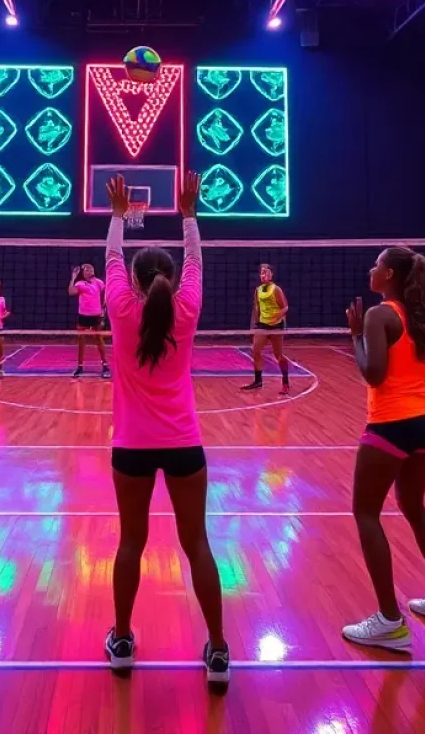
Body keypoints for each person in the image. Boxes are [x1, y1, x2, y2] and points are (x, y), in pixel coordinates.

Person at [102, 171, 230, 686]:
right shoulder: (189, 307)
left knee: (130, 543)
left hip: (130, 446)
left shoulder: (118, 306)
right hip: (184, 445)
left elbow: (112, 257)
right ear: (173, 279)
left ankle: (123, 640)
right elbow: (196, 260)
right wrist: (190, 213)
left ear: (132, 280)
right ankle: (218, 651)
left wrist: (116, 215)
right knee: (197, 542)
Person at [343, 247, 425, 652]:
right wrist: (411, 372)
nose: (371, 268)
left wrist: (357, 336)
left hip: (391, 424)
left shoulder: (380, 315)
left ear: (389, 273)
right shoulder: (419, 317)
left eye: (376, 264)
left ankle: (389, 621)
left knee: (366, 513)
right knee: (415, 509)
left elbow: (373, 373)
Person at [240, 264, 290, 395]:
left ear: (271, 274)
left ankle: (285, 382)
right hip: (262, 325)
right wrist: (255, 324)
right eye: (261, 273)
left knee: (278, 355)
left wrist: (277, 317)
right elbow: (256, 308)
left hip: (276, 326)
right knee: (255, 350)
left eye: (266, 272)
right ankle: (258, 381)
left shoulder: (276, 289)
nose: (263, 275)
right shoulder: (258, 290)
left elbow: (285, 307)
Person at [68, 263, 110, 379]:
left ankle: (105, 365)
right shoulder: (80, 284)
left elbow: (106, 293)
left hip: (96, 315)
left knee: (99, 339)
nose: (89, 270)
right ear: (83, 273)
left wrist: (104, 306)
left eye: (91, 268)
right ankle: (80, 366)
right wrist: (73, 277)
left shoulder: (99, 283)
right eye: (86, 269)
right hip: (83, 316)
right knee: (81, 340)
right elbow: (71, 292)